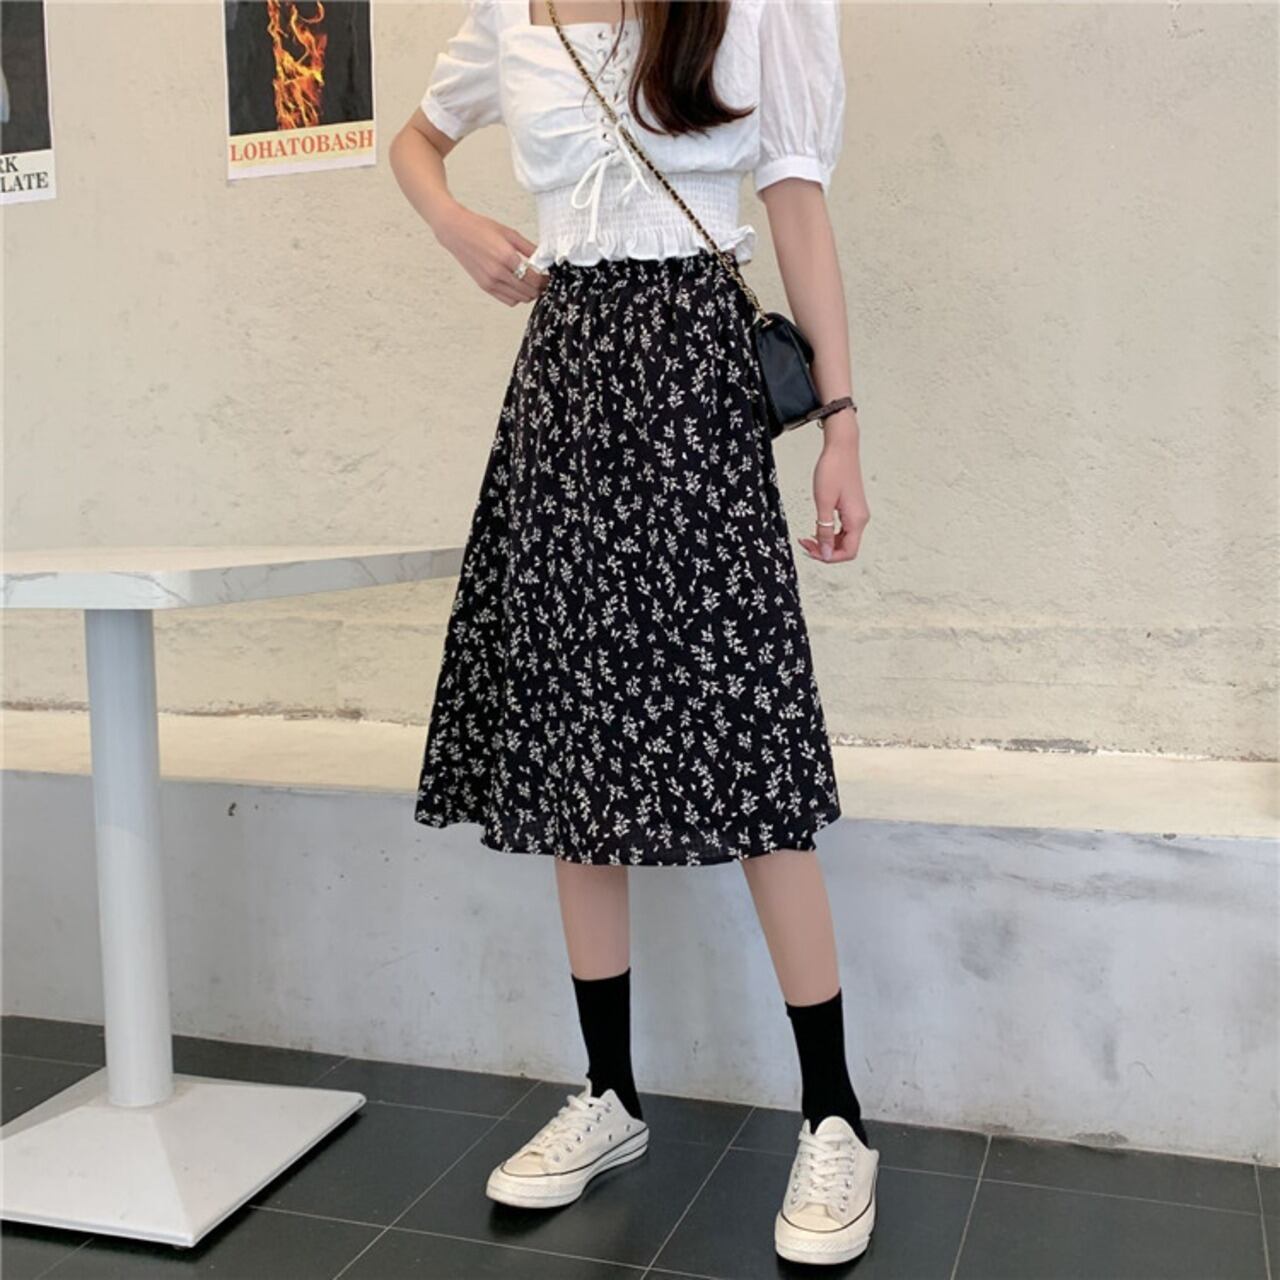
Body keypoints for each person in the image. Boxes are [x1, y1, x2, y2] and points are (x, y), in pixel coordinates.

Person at [390, 0, 876, 1265]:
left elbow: (795, 203)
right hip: (563, 391)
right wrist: (452, 224)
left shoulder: (746, 8)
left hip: (695, 386)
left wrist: (838, 423)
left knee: (748, 735)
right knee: (572, 745)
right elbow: (414, 140)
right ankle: (608, 1092)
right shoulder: (511, 14)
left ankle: (833, 1112)